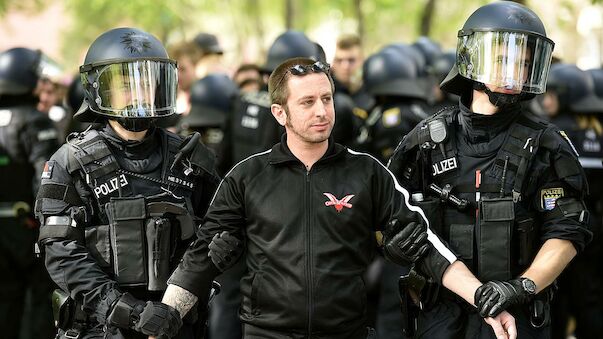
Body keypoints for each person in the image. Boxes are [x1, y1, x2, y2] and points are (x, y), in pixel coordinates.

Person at [154, 57, 517, 339]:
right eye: (307, 102)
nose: (321, 111)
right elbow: (200, 257)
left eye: (326, 98)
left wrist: (483, 299)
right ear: (280, 113)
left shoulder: (367, 172)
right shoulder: (247, 176)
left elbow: (425, 245)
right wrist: (166, 317)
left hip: (348, 331)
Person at [387, 2, 592, 338]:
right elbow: (390, 220)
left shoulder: (547, 144)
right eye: (503, 59)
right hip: (439, 315)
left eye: (524, 64)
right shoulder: (425, 140)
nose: (515, 72)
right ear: (471, 58)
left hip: (518, 313)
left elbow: (569, 230)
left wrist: (522, 287)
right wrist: (395, 245)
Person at [34, 27, 220, 339]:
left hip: (175, 324)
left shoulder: (191, 159)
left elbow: (213, 237)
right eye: (125, 85)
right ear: (99, 90)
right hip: (101, 327)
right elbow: (63, 255)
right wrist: (130, 312)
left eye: (147, 83)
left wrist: (181, 301)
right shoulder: (69, 163)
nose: (138, 92)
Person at [0, 46, 59, 339]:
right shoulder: (35, 121)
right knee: (40, 299)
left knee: (5, 303)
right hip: (27, 227)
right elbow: (45, 181)